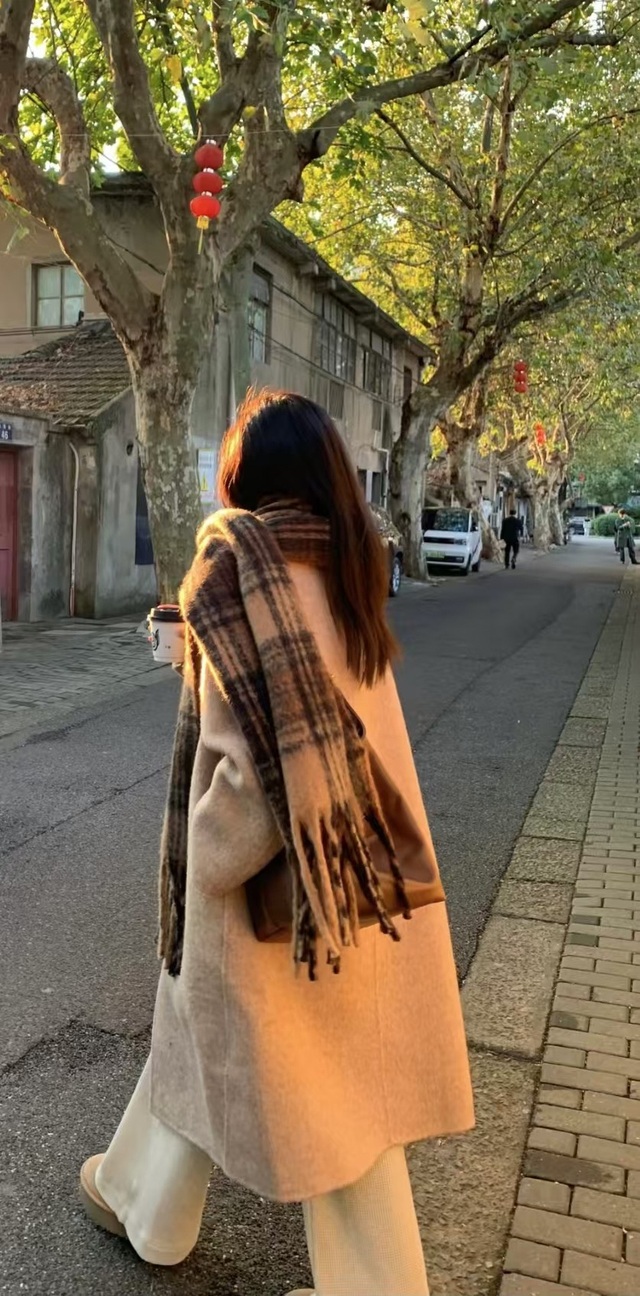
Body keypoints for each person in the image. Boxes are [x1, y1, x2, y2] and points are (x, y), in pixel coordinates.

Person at [79, 391, 473, 1296]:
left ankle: (366, 1287)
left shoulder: (238, 576)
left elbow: (256, 780)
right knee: (218, 1047)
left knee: (323, 1094)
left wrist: (204, 855)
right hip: (358, 869)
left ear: (244, 477)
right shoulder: (351, 565)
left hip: (277, 897)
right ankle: (142, 1202)